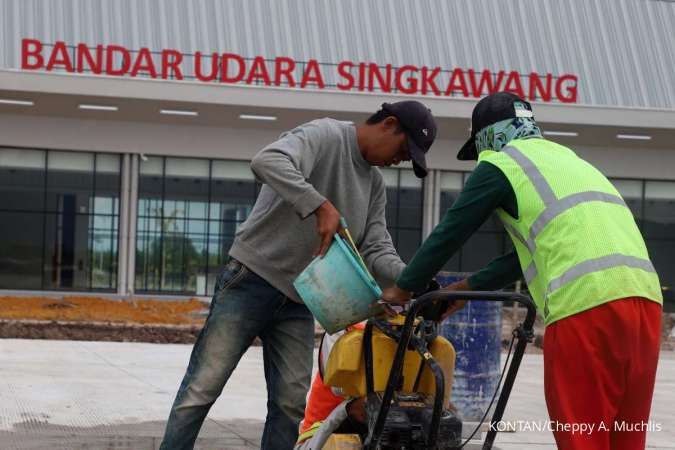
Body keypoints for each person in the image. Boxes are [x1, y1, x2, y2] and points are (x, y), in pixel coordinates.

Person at [381, 92, 663, 450]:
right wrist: (465, 290)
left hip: (585, 309)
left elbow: (450, 232)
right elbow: (527, 256)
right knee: (625, 438)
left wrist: (403, 288)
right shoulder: (570, 161)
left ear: (485, 136)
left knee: (584, 438)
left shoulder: (503, 163)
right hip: (644, 304)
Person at [159, 100, 438, 450]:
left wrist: (414, 279)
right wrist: (319, 205)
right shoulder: (325, 135)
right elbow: (266, 161)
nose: (400, 161)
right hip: (251, 279)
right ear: (389, 124)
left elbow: (377, 248)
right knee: (202, 388)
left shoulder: (375, 185)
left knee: (289, 404)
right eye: (403, 150)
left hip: (301, 299)